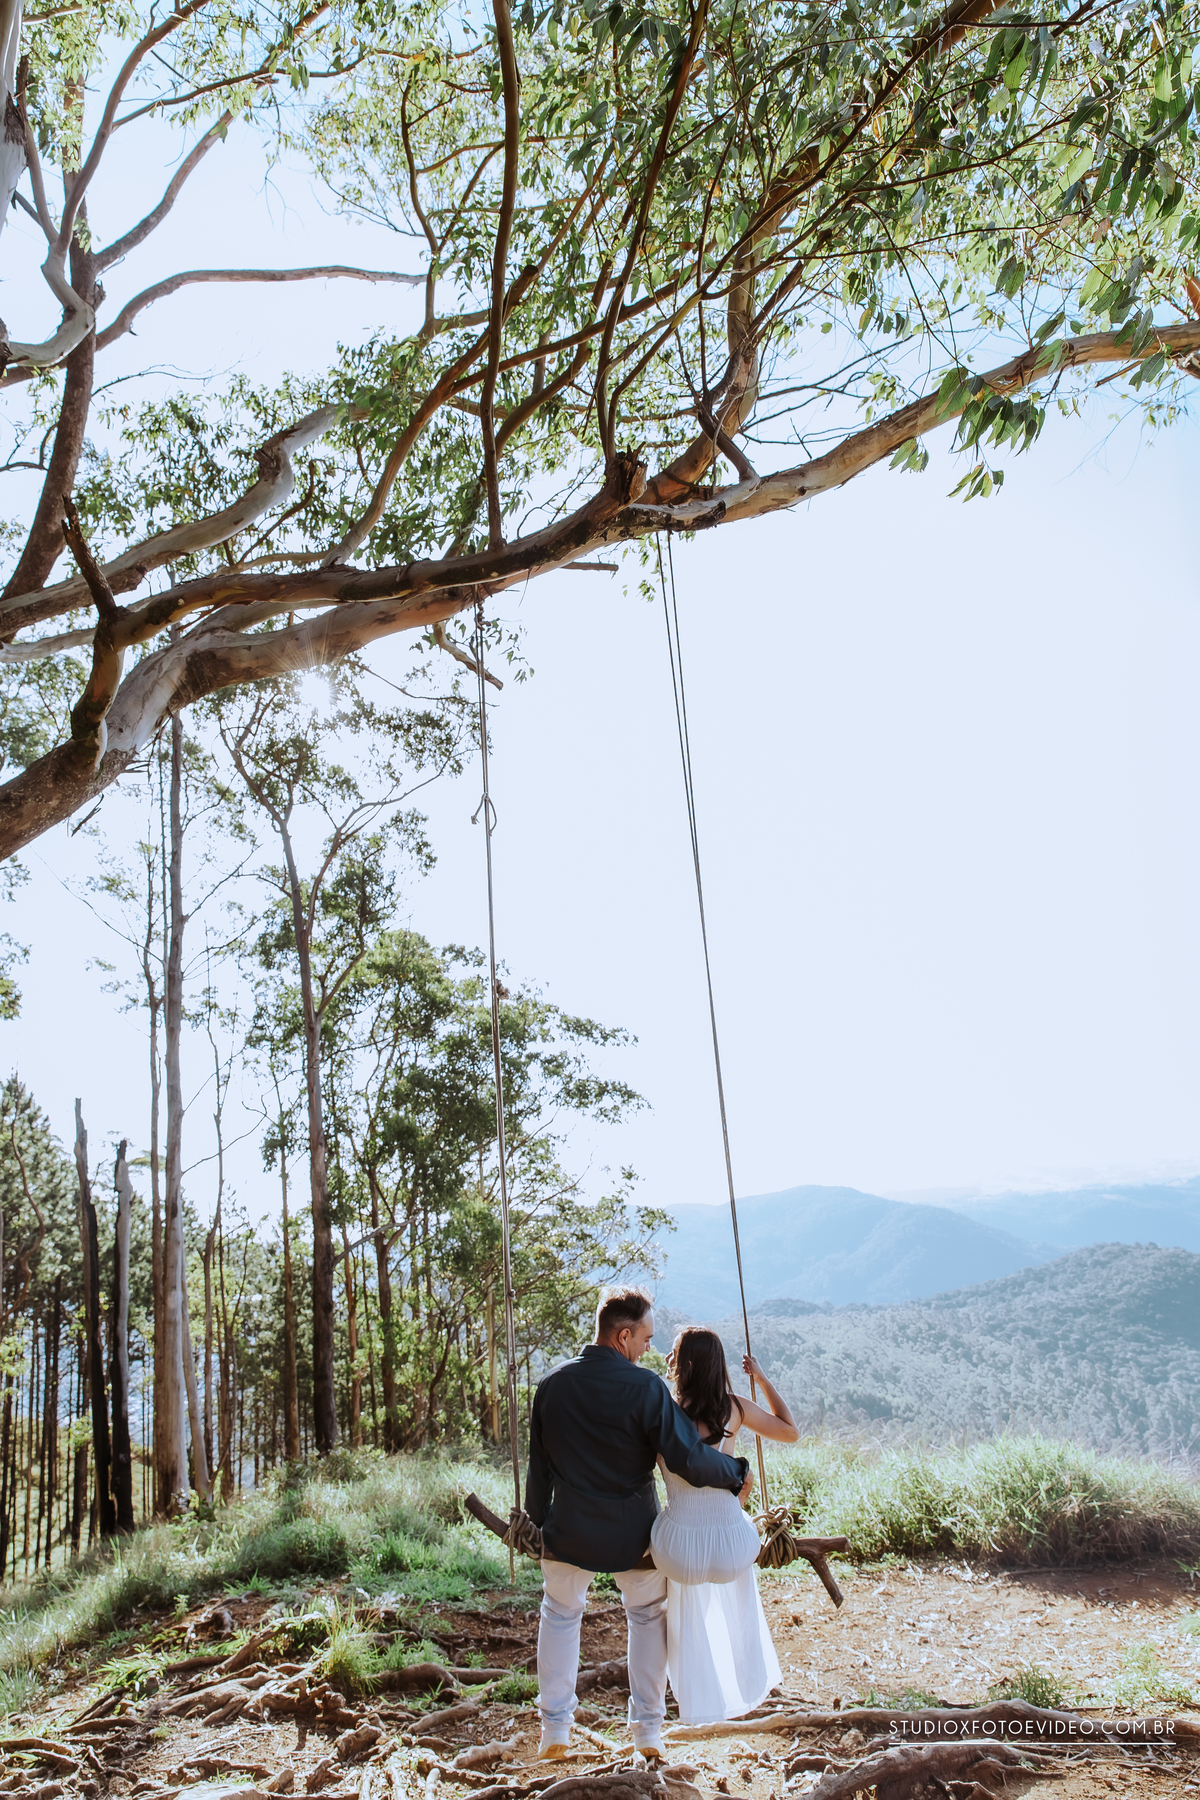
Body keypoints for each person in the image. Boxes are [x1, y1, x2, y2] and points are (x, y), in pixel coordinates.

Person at [524, 1287, 750, 1762]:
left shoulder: (551, 1384)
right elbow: (688, 1459)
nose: (649, 1349)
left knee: (560, 1614)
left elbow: (539, 1469)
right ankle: (647, 1733)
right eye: (645, 1338)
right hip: (634, 1538)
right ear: (623, 1336)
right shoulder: (647, 1388)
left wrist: (538, 1525)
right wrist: (736, 1471)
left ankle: (554, 1730)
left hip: (569, 1531)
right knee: (646, 1616)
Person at [650, 1327, 799, 1724]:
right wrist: (761, 1378)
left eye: (674, 1353)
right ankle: (746, 1680)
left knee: (684, 1604)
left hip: (679, 1550)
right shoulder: (734, 1408)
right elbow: (790, 1431)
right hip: (734, 1548)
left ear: (686, 1364)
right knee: (737, 1584)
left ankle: (695, 1699)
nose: (669, 1358)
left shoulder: (663, 1413)